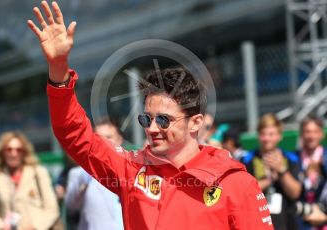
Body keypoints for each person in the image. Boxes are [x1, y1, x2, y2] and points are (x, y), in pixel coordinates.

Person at [27, 1, 273, 229]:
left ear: (195, 122)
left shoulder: (236, 183)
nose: (152, 128)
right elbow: (74, 135)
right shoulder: (130, 170)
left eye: (164, 120)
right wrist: (58, 67)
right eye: (146, 118)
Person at [0, 131, 60, 230]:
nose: (14, 154)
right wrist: (1, 226)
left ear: (24, 152)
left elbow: (52, 209)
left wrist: (35, 227)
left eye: (18, 150)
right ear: (2, 152)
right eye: (9, 149)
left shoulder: (38, 173)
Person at [241, 113, 302, 230]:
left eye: (271, 134)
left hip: (286, 223)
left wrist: (282, 171)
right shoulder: (247, 159)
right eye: (263, 134)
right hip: (256, 224)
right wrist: (269, 180)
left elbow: (295, 193)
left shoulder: (291, 158)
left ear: (279, 136)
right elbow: (244, 192)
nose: (266, 138)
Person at [65, 120, 124, 230]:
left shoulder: (132, 170)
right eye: (99, 138)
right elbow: (71, 206)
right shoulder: (79, 173)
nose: (104, 142)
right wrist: (86, 171)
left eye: (108, 137)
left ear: (119, 140)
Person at [297, 116, 327, 229]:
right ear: (301, 134)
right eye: (307, 132)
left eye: (315, 131)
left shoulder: (325, 157)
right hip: (301, 221)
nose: (311, 136)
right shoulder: (294, 158)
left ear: (321, 134)